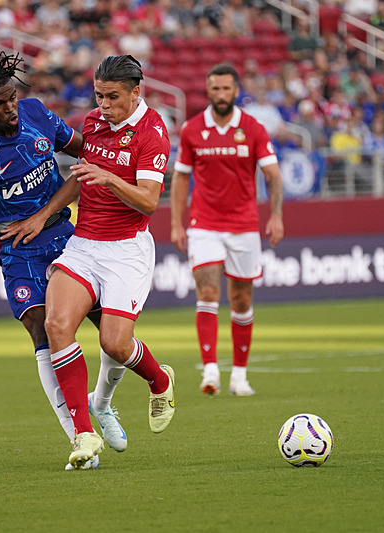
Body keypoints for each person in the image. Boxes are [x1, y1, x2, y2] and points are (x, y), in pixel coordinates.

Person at [0, 52, 128, 471]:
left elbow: (86, 158)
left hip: (65, 235)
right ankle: (80, 435)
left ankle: (104, 404)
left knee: (111, 330)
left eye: (12, 99)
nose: (9, 109)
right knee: (41, 326)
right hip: (19, 249)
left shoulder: (37, 114)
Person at [39, 55, 175, 469]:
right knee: (56, 324)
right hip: (84, 244)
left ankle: (160, 380)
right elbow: (82, 177)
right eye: (99, 95)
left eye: (113, 97)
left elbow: (150, 202)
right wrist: (43, 215)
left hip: (127, 250)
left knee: (113, 343)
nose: (103, 105)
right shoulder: (93, 123)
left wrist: (113, 178)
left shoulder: (152, 133)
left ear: (137, 92)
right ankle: (84, 433)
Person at [170, 63, 284, 397]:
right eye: (215, 88)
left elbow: (273, 175)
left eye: (226, 89)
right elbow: (180, 177)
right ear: (208, 90)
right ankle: (210, 372)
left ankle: (239, 375)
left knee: (241, 299)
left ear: (236, 91)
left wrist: (276, 216)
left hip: (244, 225)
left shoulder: (253, 128)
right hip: (204, 223)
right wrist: (177, 223)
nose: (221, 94)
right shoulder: (192, 130)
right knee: (206, 291)